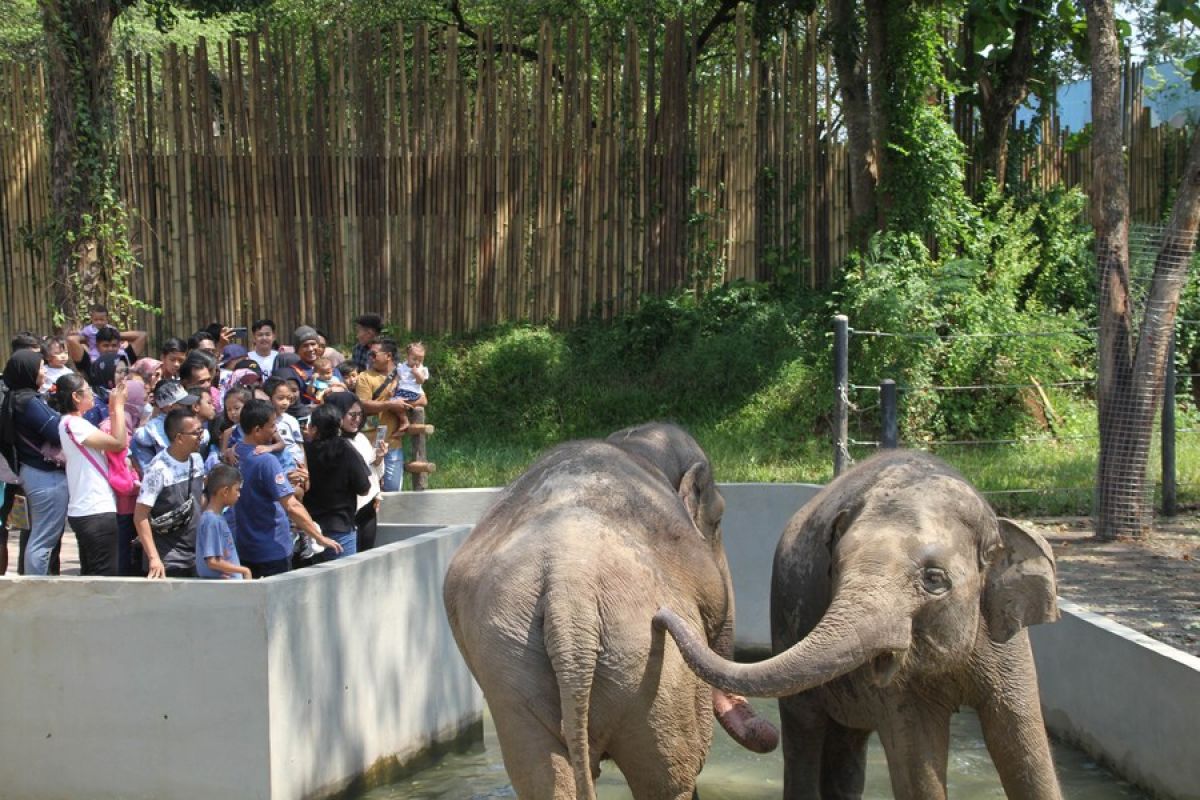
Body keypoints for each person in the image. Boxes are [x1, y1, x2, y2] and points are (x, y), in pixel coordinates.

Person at [232, 399, 340, 577]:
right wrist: (318, 536)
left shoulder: (235, 453)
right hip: (272, 551)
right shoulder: (266, 460)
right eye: (272, 425)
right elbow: (291, 505)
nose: (275, 429)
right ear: (257, 429)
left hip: (244, 549)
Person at [54, 372, 128, 576]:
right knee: (103, 577)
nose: (93, 395)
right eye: (88, 391)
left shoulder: (75, 423)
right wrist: (119, 406)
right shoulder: (73, 424)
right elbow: (118, 443)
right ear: (76, 397)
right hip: (94, 510)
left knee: (91, 576)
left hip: (90, 510)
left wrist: (114, 408)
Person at [4, 350, 67, 575]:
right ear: (28, 371)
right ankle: (36, 587)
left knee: (40, 536)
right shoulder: (29, 401)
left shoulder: (15, 397)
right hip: (45, 477)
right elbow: (56, 432)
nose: (44, 372)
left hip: (32, 473)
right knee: (43, 539)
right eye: (41, 367)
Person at [132, 408, 204, 578]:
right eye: (196, 433)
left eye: (201, 431)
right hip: (169, 560)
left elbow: (200, 499)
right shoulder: (158, 469)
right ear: (179, 438)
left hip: (195, 555)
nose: (201, 436)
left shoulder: (197, 459)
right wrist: (154, 558)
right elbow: (140, 516)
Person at [302, 403, 371, 559]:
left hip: (309, 528)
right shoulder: (345, 449)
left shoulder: (304, 450)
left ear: (313, 427)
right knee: (345, 581)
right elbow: (364, 487)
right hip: (340, 527)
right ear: (339, 425)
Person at [324, 392, 385, 552]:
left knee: (366, 554)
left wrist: (378, 459)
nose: (357, 419)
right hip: (345, 514)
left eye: (359, 414)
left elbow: (371, 469)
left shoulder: (360, 438)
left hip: (368, 507)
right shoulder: (329, 445)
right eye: (351, 414)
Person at [355, 339, 412, 491]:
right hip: (367, 444)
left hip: (392, 443)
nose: (370, 358)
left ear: (388, 356)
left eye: (374, 354)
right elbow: (363, 405)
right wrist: (390, 404)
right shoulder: (364, 377)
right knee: (368, 492)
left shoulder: (403, 375)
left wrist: (404, 399)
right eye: (369, 354)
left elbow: (422, 398)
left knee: (393, 492)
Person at [131, 380, 203, 471]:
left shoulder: (187, 420)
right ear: (171, 407)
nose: (188, 407)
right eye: (183, 405)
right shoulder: (154, 429)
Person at [195, 464, 250, 580]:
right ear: (225, 491)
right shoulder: (212, 520)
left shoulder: (217, 518)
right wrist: (244, 570)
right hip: (224, 590)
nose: (239, 495)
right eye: (237, 490)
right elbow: (212, 561)